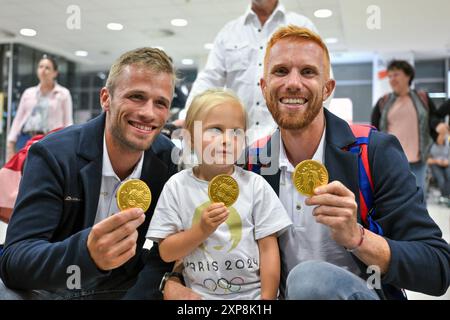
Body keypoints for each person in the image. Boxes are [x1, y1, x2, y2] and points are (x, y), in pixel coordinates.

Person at [163, 26, 450, 300]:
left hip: (366, 291)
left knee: (308, 278)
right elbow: (205, 236)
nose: (293, 83)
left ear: (327, 88)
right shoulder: (250, 164)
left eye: (308, 72)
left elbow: (437, 268)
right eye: (280, 71)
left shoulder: (373, 151)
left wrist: (358, 237)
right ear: (264, 88)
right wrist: (173, 279)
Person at [0, 47, 177, 299]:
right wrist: (86, 254)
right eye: (136, 96)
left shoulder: (166, 160)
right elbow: (15, 260)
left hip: (123, 290)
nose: (148, 112)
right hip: (55, 288)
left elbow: (161, 254)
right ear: (106, 98)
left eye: (160, 103)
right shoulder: (53, 154)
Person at [146, 89, 291, 299]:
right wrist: (201, 230)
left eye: (236, 132)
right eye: (215, 129)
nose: (227, 140)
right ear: (190, 137)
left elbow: (268, 249)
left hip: (251, 297)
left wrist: (267, 298)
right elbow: (167, 252)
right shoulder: (177, 187)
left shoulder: (255, 186)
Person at [180, 0, 319, 143]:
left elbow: (320, 81)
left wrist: (307, 128)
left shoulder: (302, 26)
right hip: (238, 140)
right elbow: (209, 78)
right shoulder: (229, 32)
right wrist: (188, 117)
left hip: (286, 140)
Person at [371, 60, 444, 192]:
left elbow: (433, 117)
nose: (392, 79)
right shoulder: (383, 102)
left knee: (418, 198)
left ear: (408, 76)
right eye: (390, 76)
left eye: (396, 75)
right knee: (393, 197)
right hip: (391, 161)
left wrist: (438, 125)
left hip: (418, 160)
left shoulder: (422, 98)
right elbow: (374, 130)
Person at [6, 55, 73, 162]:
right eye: (41, 67)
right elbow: (18, 119)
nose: (43, 70)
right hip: (27, 139)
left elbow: (68, 122)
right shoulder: (29, 93)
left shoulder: (63, 94)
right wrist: (11, 141)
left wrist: (69, 145)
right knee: (24, 173)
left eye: (47, 68)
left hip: (51, 140)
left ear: (55, 73)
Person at [427, 131, 450, 206]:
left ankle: (446, 196)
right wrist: (437, 161)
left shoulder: (447, 144)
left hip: (446, 164)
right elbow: (427, 160)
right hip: (435, 164)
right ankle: (444, 196)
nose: (443, 137)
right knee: (441, 180)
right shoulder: (432, 145)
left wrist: (446, 162)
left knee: (449, 176)